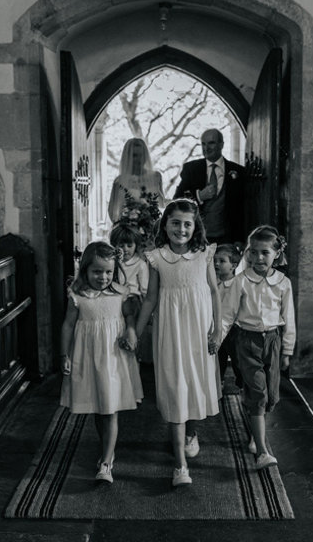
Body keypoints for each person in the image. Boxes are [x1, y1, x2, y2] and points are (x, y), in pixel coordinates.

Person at [129, 199, 221, 488]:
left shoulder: (204, 254)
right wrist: (137, 331)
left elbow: (215, 293)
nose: (181, 228)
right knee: (175, 386)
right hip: (172, 330)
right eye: (175, 222)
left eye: (187, 223)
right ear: (165, 224)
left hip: (199, 330)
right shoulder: (156, 257)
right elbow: (151, 298)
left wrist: (218, 330)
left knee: (196, 386)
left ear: (195, 228)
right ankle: (180, 465)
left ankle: (191, 433)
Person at [59, 242, 143, 484]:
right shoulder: (77, 295)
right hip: (88, 357)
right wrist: (64, 355)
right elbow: (67, 325)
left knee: (110, 410)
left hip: (114, 358)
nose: (103, 277)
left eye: (108, 271)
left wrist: (130, 331)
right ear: (85, 270)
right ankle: (108, 448)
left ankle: (106, 462)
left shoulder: (120, 292)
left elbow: (129, 315)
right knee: (99, 407)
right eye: (97, 271)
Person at [220, 225, 295, 470]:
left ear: (276, 255)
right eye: (254, 252)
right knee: (258, 392)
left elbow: (289, 318)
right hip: (247, 341)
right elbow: (227, 315)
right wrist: (216, 339)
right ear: (248, 254)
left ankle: (256, 425)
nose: (259, 258)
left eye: (265, 252)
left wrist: (286, 351)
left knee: (271, 396)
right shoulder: (240, 282)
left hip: (272, 341)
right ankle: (263, 451)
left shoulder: (283, 283)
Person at [173, 129, 247, 244]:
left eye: (211, 143)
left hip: (227, 239)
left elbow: (244, 209)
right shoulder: (191, 169)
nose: (206, 148)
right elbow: (177, 200)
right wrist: (199, 196)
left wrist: (240, 239)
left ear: (221, 145)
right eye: (203, 144)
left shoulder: (238, 171)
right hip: (195, 237)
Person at [110, 223, 150, 369]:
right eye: (121, 245)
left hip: (133, 300)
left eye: (129, 245)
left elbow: (144, 289)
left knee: (129, 305)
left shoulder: (140, 264)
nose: (125, 249)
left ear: (135, 246)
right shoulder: (112, 263)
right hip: (115, 300)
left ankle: (133, 344)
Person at [108, 138, 165, 225]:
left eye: (141, 155)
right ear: (127, 157)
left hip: (152, 227)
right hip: (129, 228)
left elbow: (161, 204)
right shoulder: (119, 181)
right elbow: (112, 211)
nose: (139, 159)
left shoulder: (156, 177)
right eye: (134, 155)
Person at [213, 242, 244, 394]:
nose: (217, 264)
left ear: (233, 265)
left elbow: (230, 311)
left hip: (233, 330)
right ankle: (218, 383)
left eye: (222, 261)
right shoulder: (213, 283)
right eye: (215, 261)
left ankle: (243, 385)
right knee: (217, 359)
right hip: (215, 327)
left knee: (238, 359)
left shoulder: (237, 284)